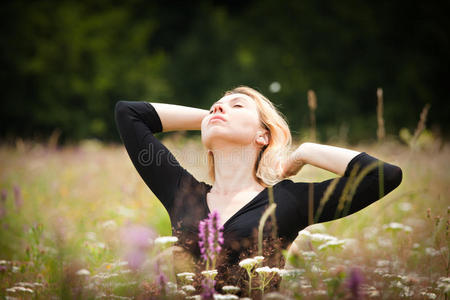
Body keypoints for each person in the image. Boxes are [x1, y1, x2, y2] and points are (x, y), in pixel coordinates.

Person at [114, 86, 402, 294]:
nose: (219, 107)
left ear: (262, 135)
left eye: (238, 105)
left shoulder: (288, 201)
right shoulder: (182, 191)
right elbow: (128, 113)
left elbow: (383, 176)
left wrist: (305, 153)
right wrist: (215, 115)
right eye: (216, 105)